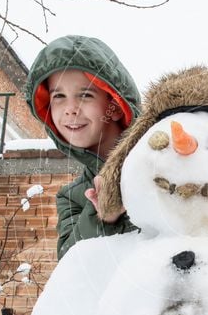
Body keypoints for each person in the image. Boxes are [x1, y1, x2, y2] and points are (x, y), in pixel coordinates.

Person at [25, 35, 141, 259]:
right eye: (58, 96)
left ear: (115, 105)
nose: (70, 109)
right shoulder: (72, 197)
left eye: (85, 95)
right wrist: (103, 217)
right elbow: (71, 265)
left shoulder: (161, 159)